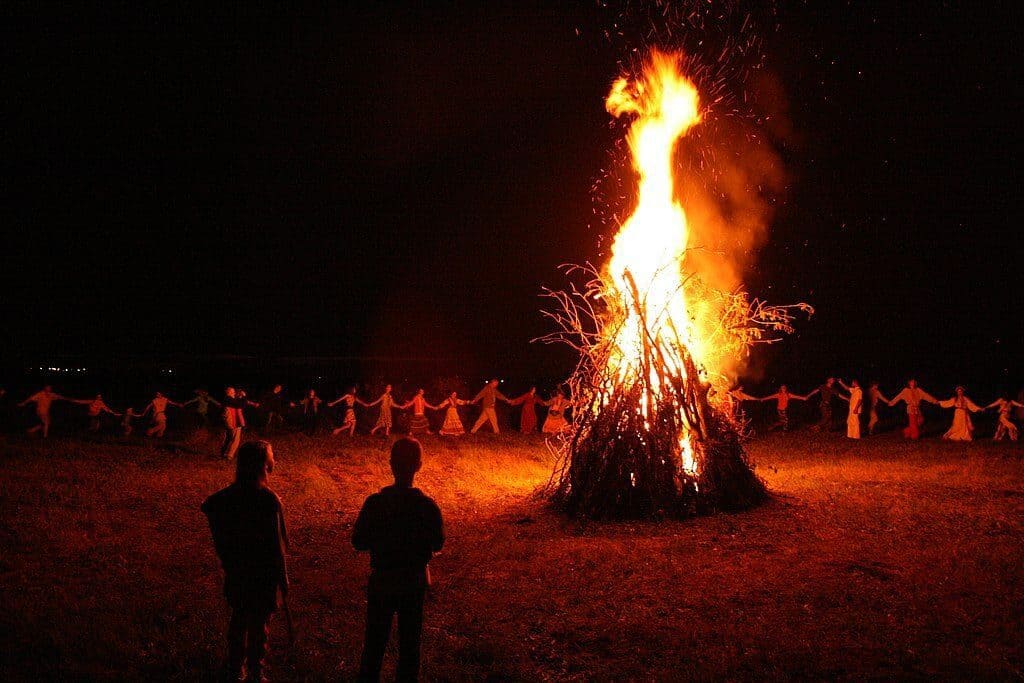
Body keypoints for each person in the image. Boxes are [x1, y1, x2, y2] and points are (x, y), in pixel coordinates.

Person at [353, 437, 444, 682]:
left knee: (374, 643)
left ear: (391, 463)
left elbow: (358, 541)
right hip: (413, 582)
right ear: (419, 465)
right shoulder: (427, 507)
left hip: (382, 580)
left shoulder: (375, 503)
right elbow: (438, 543)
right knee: (410, 645)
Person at [201, 440, 289, 683]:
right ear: (263, 463)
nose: (274, 459)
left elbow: (208, 505)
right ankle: (254, 670)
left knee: (240, 617)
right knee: (259, 624)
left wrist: (226, 549)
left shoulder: (233, 495)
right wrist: (283, 577)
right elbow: (276, 546)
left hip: (237, 569)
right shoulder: (268, 500)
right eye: (271, 455)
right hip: (262, 573)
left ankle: (235, 667)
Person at [221, 387, 257, 460]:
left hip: (232, 422)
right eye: (233, 391)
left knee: (229, 438)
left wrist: (252, 403)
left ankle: (224, 453)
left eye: (234, 391)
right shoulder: (228, 399)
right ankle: (229, 455)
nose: (234, 392)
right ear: (229, 392)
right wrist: (243, 396)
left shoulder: (229, 399)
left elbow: (242, 402)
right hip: (233, 422)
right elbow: (239, 404)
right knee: (234, 439)